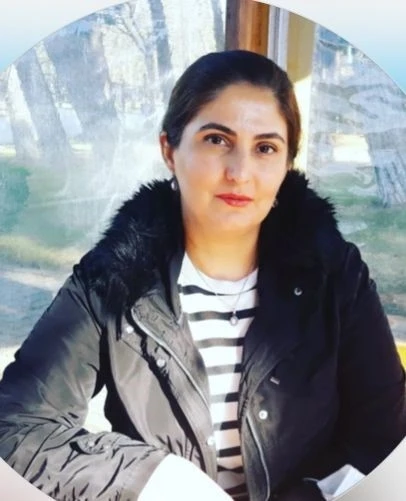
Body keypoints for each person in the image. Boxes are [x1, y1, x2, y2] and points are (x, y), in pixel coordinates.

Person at [0, 50, 405, 501]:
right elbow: (17, 428)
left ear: (287, 164)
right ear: (169, 151)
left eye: (266, 148)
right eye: (217, 140)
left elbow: (385, 439)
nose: (240, 173)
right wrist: (156, 479)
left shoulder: (335, 274)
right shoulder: (114, 277)